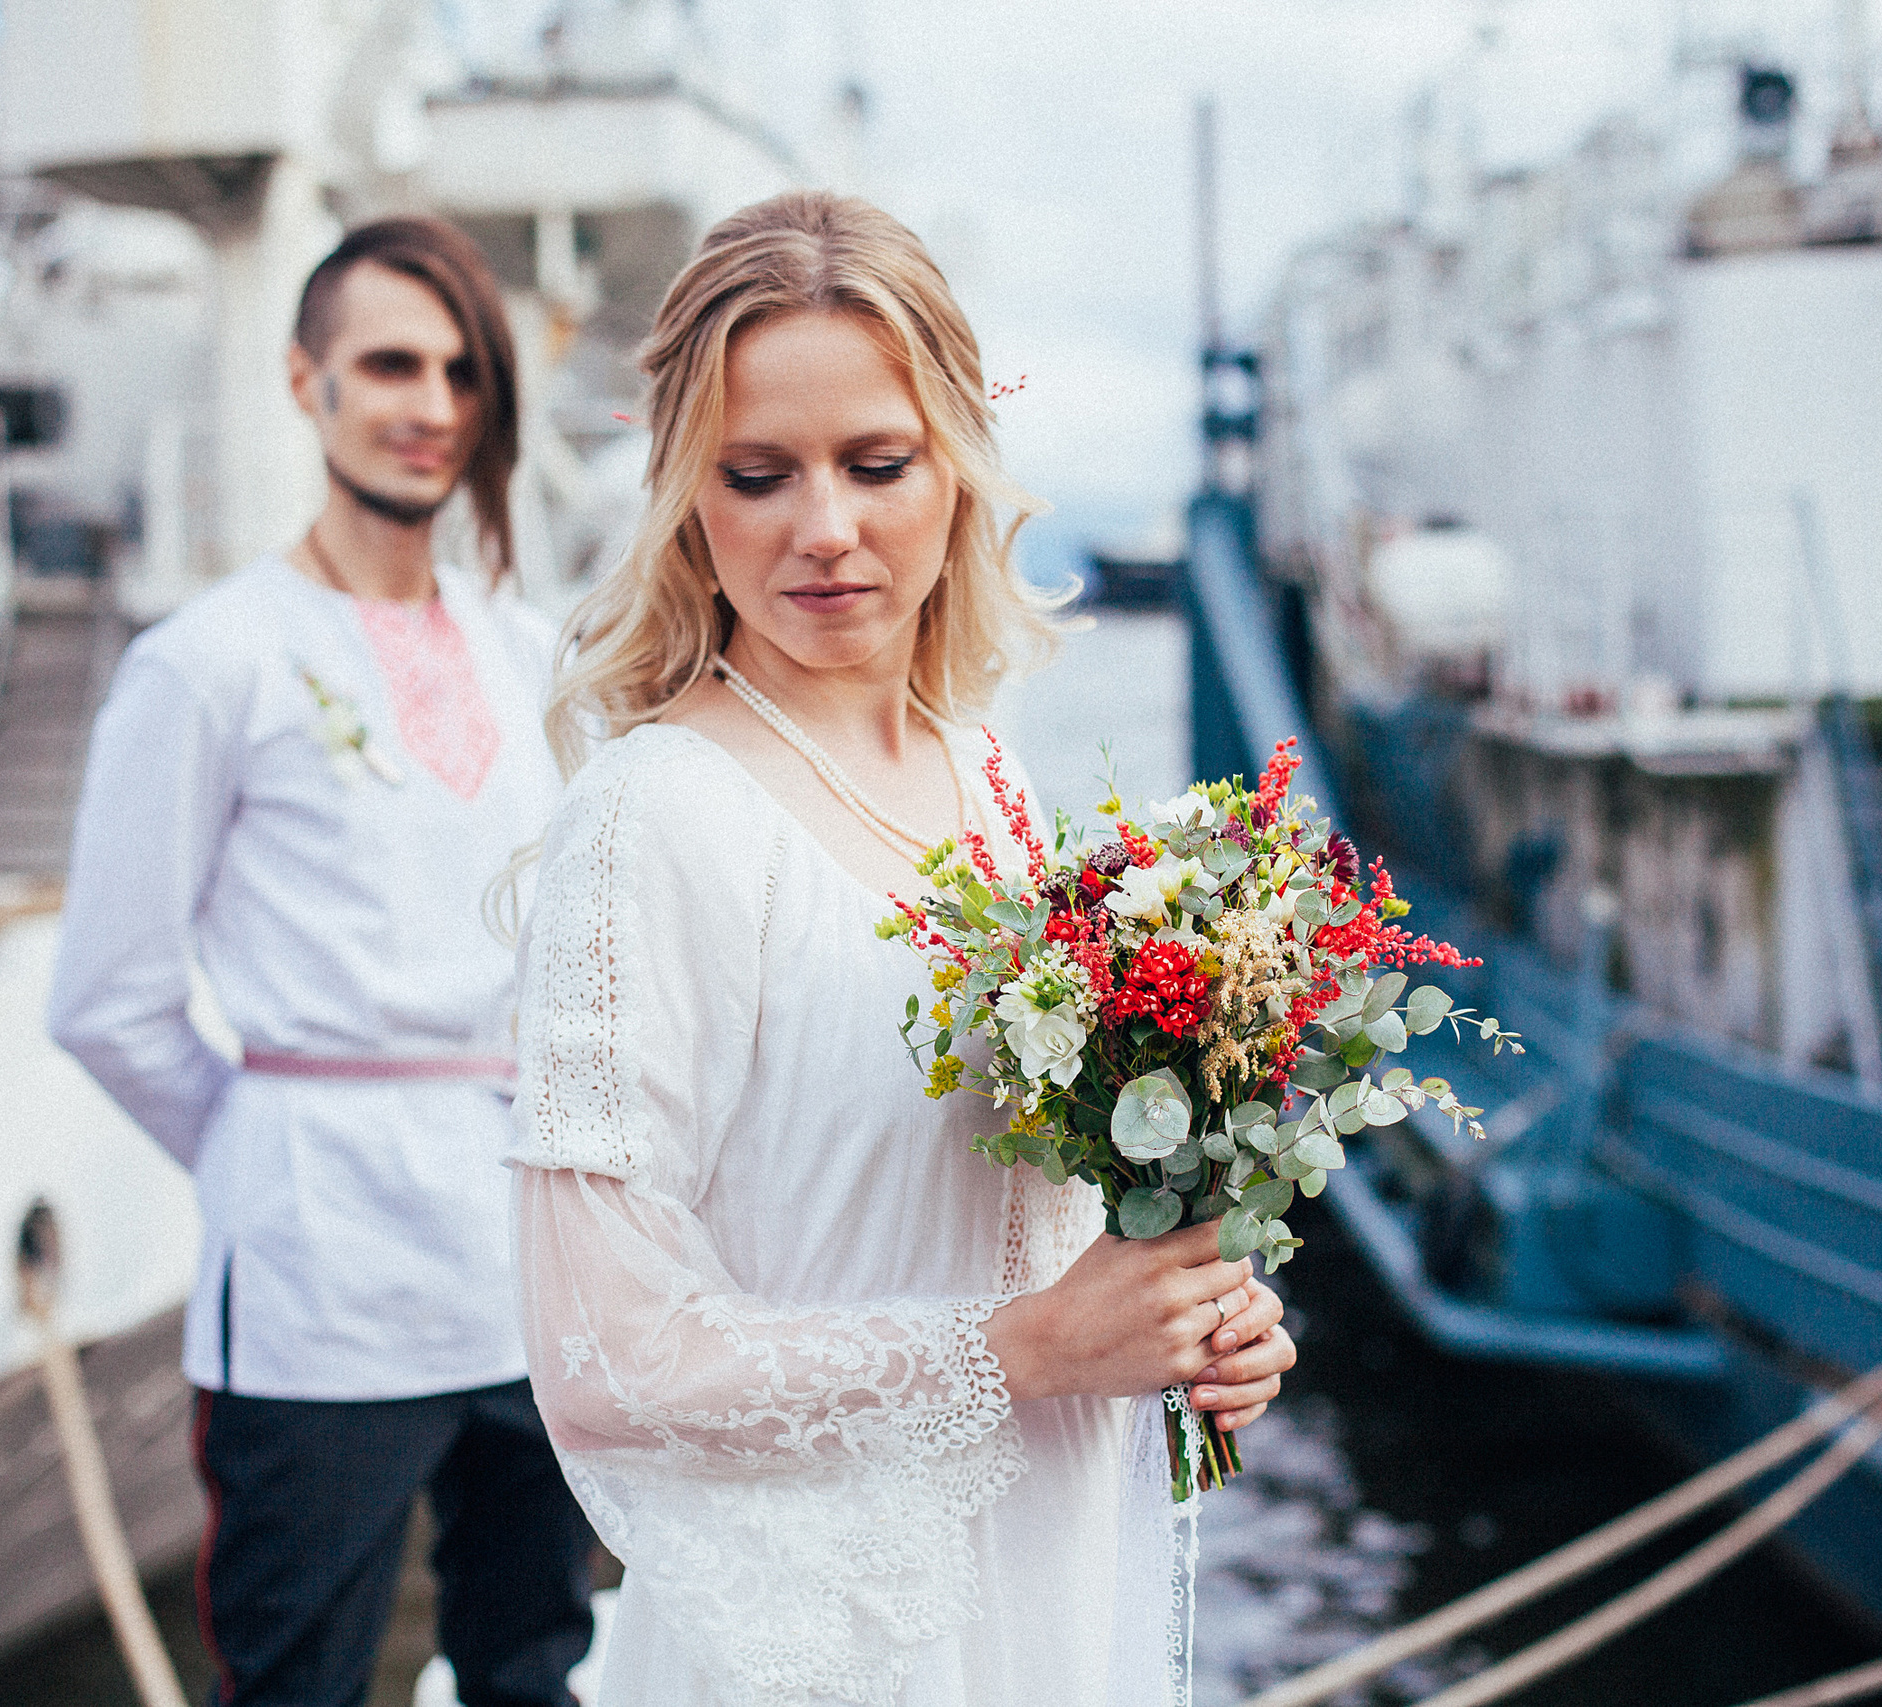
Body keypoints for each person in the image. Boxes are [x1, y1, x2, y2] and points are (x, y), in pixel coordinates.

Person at [511, 190, 1296, 1707]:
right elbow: (604, 1357)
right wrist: (1027, 1348)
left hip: (1046, 1581)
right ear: (689, 492)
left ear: (956, 468)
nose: (825, 530)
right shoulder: (652, 820)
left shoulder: (983, 773)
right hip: (829, 1639)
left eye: (878, 464)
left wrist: (1189, 1315)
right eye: (758, 475)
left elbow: (1031, 1222)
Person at [49, 216, 595, 1707]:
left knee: (535, 1666)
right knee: (296, 1680)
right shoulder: (208, 660)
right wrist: (259, 1145)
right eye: (390, 364)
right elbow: (108, 999)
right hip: (316, 1277)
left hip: (527, 1262)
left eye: (460, 371)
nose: (431, 403)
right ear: (307, 381)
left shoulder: (532, 651)